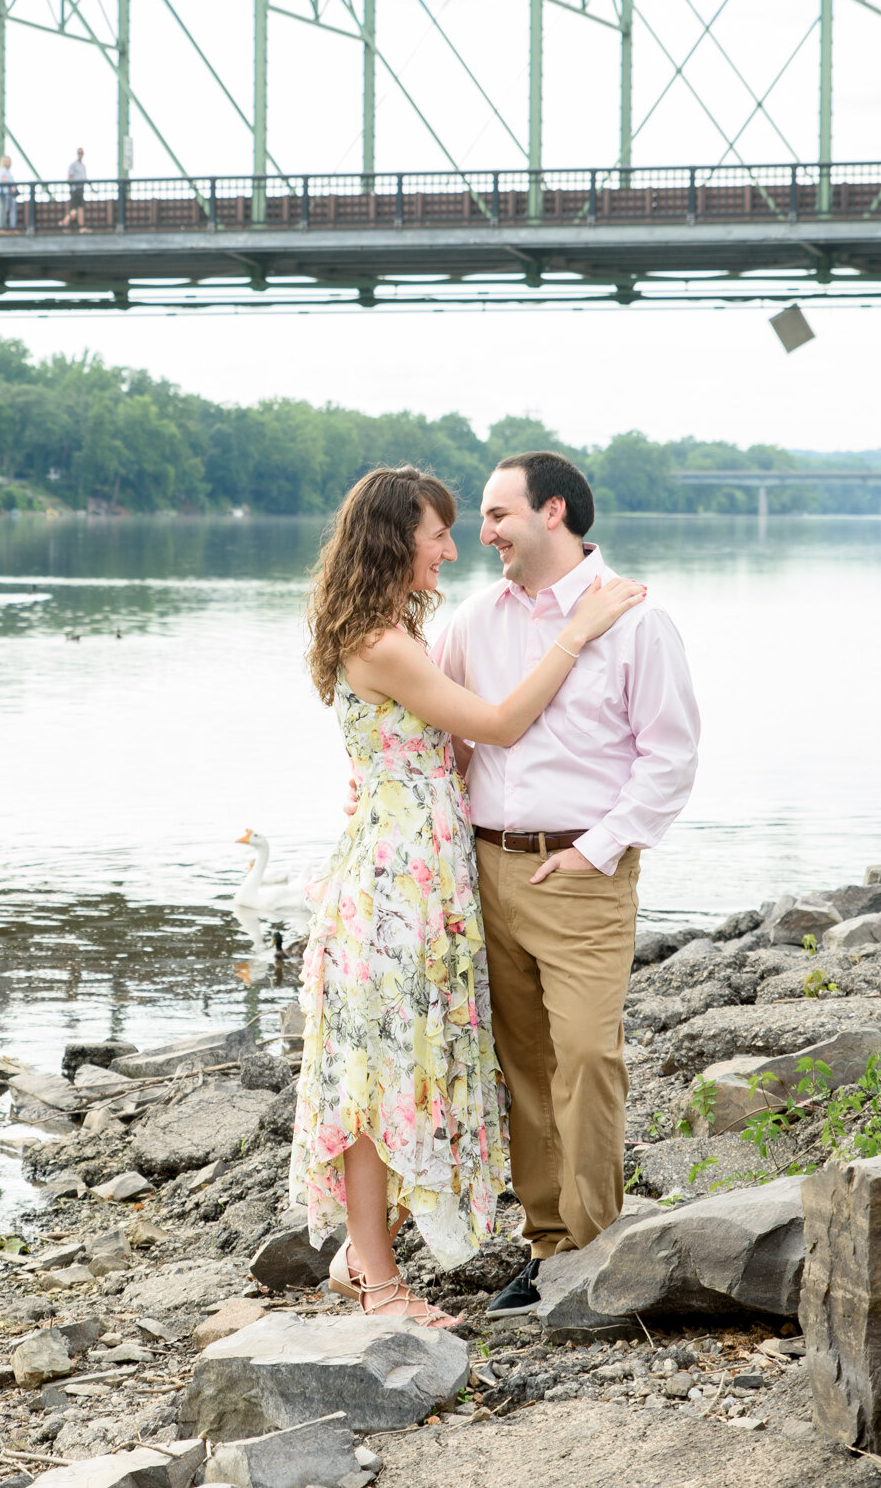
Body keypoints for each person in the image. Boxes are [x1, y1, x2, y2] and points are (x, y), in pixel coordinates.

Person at [292, 466, 647, 1325]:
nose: (454, 548)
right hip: (398, 880)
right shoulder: (386, 641)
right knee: (382, 1072)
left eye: (469, 525)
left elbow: (429, 747)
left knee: (402, 1065)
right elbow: (492, 726)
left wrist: (398, 776)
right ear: (394, 540)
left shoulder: (395, 630)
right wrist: (580, 629)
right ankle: (378, 1281)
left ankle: (363, 1256)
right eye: (438, 534)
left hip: (421, 865)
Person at [432, 451, 699, 1313]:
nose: (484, 532)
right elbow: (436, 730)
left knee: (587, 1053)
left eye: (497, 514)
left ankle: (595, 1242)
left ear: (553, 513)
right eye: (479, 517)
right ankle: (548, 1248)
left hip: (581, 872)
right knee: (525, 1065)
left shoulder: (635, 622)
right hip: (487, 866)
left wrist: (601, 848)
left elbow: (670, 758)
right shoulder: (475, 619)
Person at [65, 147, 90, 231]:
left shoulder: (83, 166)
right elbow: (70, 177)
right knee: (76, 209)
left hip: (81, 189)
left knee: (79, 208)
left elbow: (85, 179)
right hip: (75, 189)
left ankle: (80, 227)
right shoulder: (73, 165)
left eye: (81, 153)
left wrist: (92, 188)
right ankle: (65, 223)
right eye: (79, 153)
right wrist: (72, 187)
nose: (80, 154)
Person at [0, 155, 18, 230]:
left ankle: (7, 227)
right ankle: (5, 227)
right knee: (5, 209)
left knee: (5, 209)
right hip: (5, 193)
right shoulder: (3, 170)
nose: (9, 162)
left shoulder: (3, 170)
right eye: (7, 161)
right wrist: (12, 187)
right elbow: (5, 179)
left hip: (6, 193)